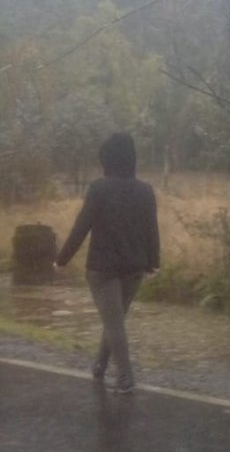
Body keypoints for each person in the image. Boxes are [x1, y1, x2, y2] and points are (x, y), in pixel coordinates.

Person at [55, 132, 160, 394]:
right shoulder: (146, 190)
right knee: (115, 319)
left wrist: (62, 259)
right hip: (135, 266)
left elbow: (82, 226)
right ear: (132, 159)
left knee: (114, 322)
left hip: (102, 269)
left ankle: (125, 377)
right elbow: (151, 229)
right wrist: (153, 262)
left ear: (107, 159)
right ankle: (100, 365)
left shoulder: (99, 188)